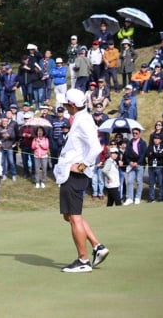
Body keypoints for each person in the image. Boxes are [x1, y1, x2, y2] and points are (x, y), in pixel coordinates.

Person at [53, 88, 108, 273]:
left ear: (73, 105)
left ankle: (83, 260)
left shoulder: (83, 120)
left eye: (66, 104)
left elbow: (96, 148)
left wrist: (82, 165)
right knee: (68, 215)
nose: (64, 106)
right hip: (71, 174)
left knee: (74, 217)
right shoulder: (80, 118)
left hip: (75, 174)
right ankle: (97, 246)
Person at [123, 128, 147, 205]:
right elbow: (126, 154)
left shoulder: (142, 143)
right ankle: (130, 198)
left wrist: (138, 162)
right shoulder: (130, 143)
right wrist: (130, 162)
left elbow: (143, 154)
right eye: (133, 133)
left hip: (140, 165)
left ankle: (137, 198)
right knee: (129, 181)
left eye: (136, 133)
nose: (135, 134)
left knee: (139, 181)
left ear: (139, 134)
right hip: (131, 165)